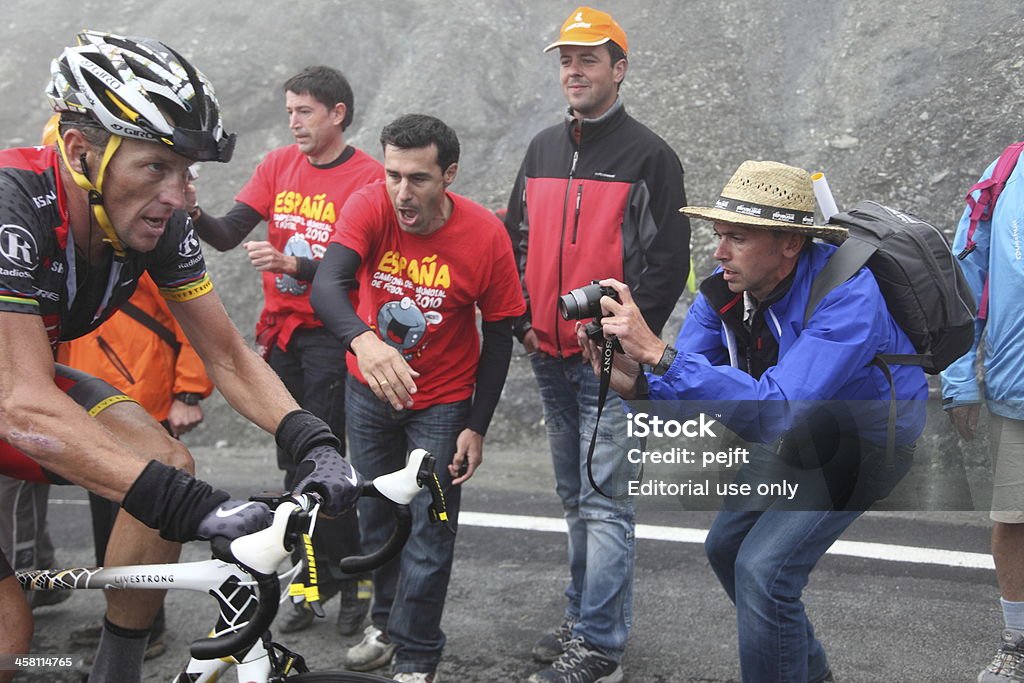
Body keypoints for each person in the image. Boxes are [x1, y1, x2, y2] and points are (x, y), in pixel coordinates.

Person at [0, 31, 361, 683]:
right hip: (15, 393)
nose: (179, 192)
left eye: (185, 170)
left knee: (168, 459)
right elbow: (22, 402)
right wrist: (194, 508)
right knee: (11, 640)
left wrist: (312, 439)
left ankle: (117, 671)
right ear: (81, 151)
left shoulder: (150, 223)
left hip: (17, 390)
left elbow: (224, 352)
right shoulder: (14, 203)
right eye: (156, 167)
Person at [578, 160, 928, 682]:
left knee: (764, 571)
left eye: (737, 238)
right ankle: (809, 674)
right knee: (725, 548)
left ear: (790, 243)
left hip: (862, 440)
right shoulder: (723, 291)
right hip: (793, 432)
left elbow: (777, 406)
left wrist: (656, 353)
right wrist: (636, 384)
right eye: (719, 235)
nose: (719, 254)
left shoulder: (849, 294)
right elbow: (688, 391)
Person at [502, 7, 690, 683]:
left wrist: (624, 343)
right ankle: (585, 617)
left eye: (588, 59)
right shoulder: (543, 148)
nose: (573, 70)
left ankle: (601, 646)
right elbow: (513, 238)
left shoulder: (649, 155)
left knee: (604, 498)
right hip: (548, 353)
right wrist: (522, 317)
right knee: (574, 493)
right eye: (565, 60)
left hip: (604, 363)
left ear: (619, 68)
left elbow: (668, 264)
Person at [311, 113, 526, 683]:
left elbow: (501, 331)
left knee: (431, 530)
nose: (403, 193)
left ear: (449, 175)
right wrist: (365, 344)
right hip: (369, 391)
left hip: (443, 402)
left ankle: (418, 655)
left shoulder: (484, 235)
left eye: (419, 179)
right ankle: (386, 624)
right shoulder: (369, 204)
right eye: (393, 175)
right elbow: (327, 284)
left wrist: (476, 424)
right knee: (377, 518)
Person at [190, 65, 382, 635]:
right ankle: (314, 579)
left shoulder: (368, 178)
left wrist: (294, 263)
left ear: (337, 114)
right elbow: (226, 234)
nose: (293, 122)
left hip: (332, 338)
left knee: (325, 464)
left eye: (305, 112)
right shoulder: (277, 165)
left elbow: (363, 268)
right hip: (281, 338)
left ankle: (352, 584)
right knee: (295, 466)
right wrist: (188, 208)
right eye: (289, 112)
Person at [58, 270, 215, 659]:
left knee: (142, 524)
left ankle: (146, 629)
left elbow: (190, 318)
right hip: (92, 410)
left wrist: (189, 393)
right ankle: (119, 620)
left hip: (141, 406)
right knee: (106, 525)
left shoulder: (137, 255)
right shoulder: (73, 255)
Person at [941, 146, 1024, 683]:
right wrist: (956, 380)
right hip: (1017, 389)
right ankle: (1018, 644)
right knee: (1015, 519)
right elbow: (964, 274)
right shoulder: (1007, 170)